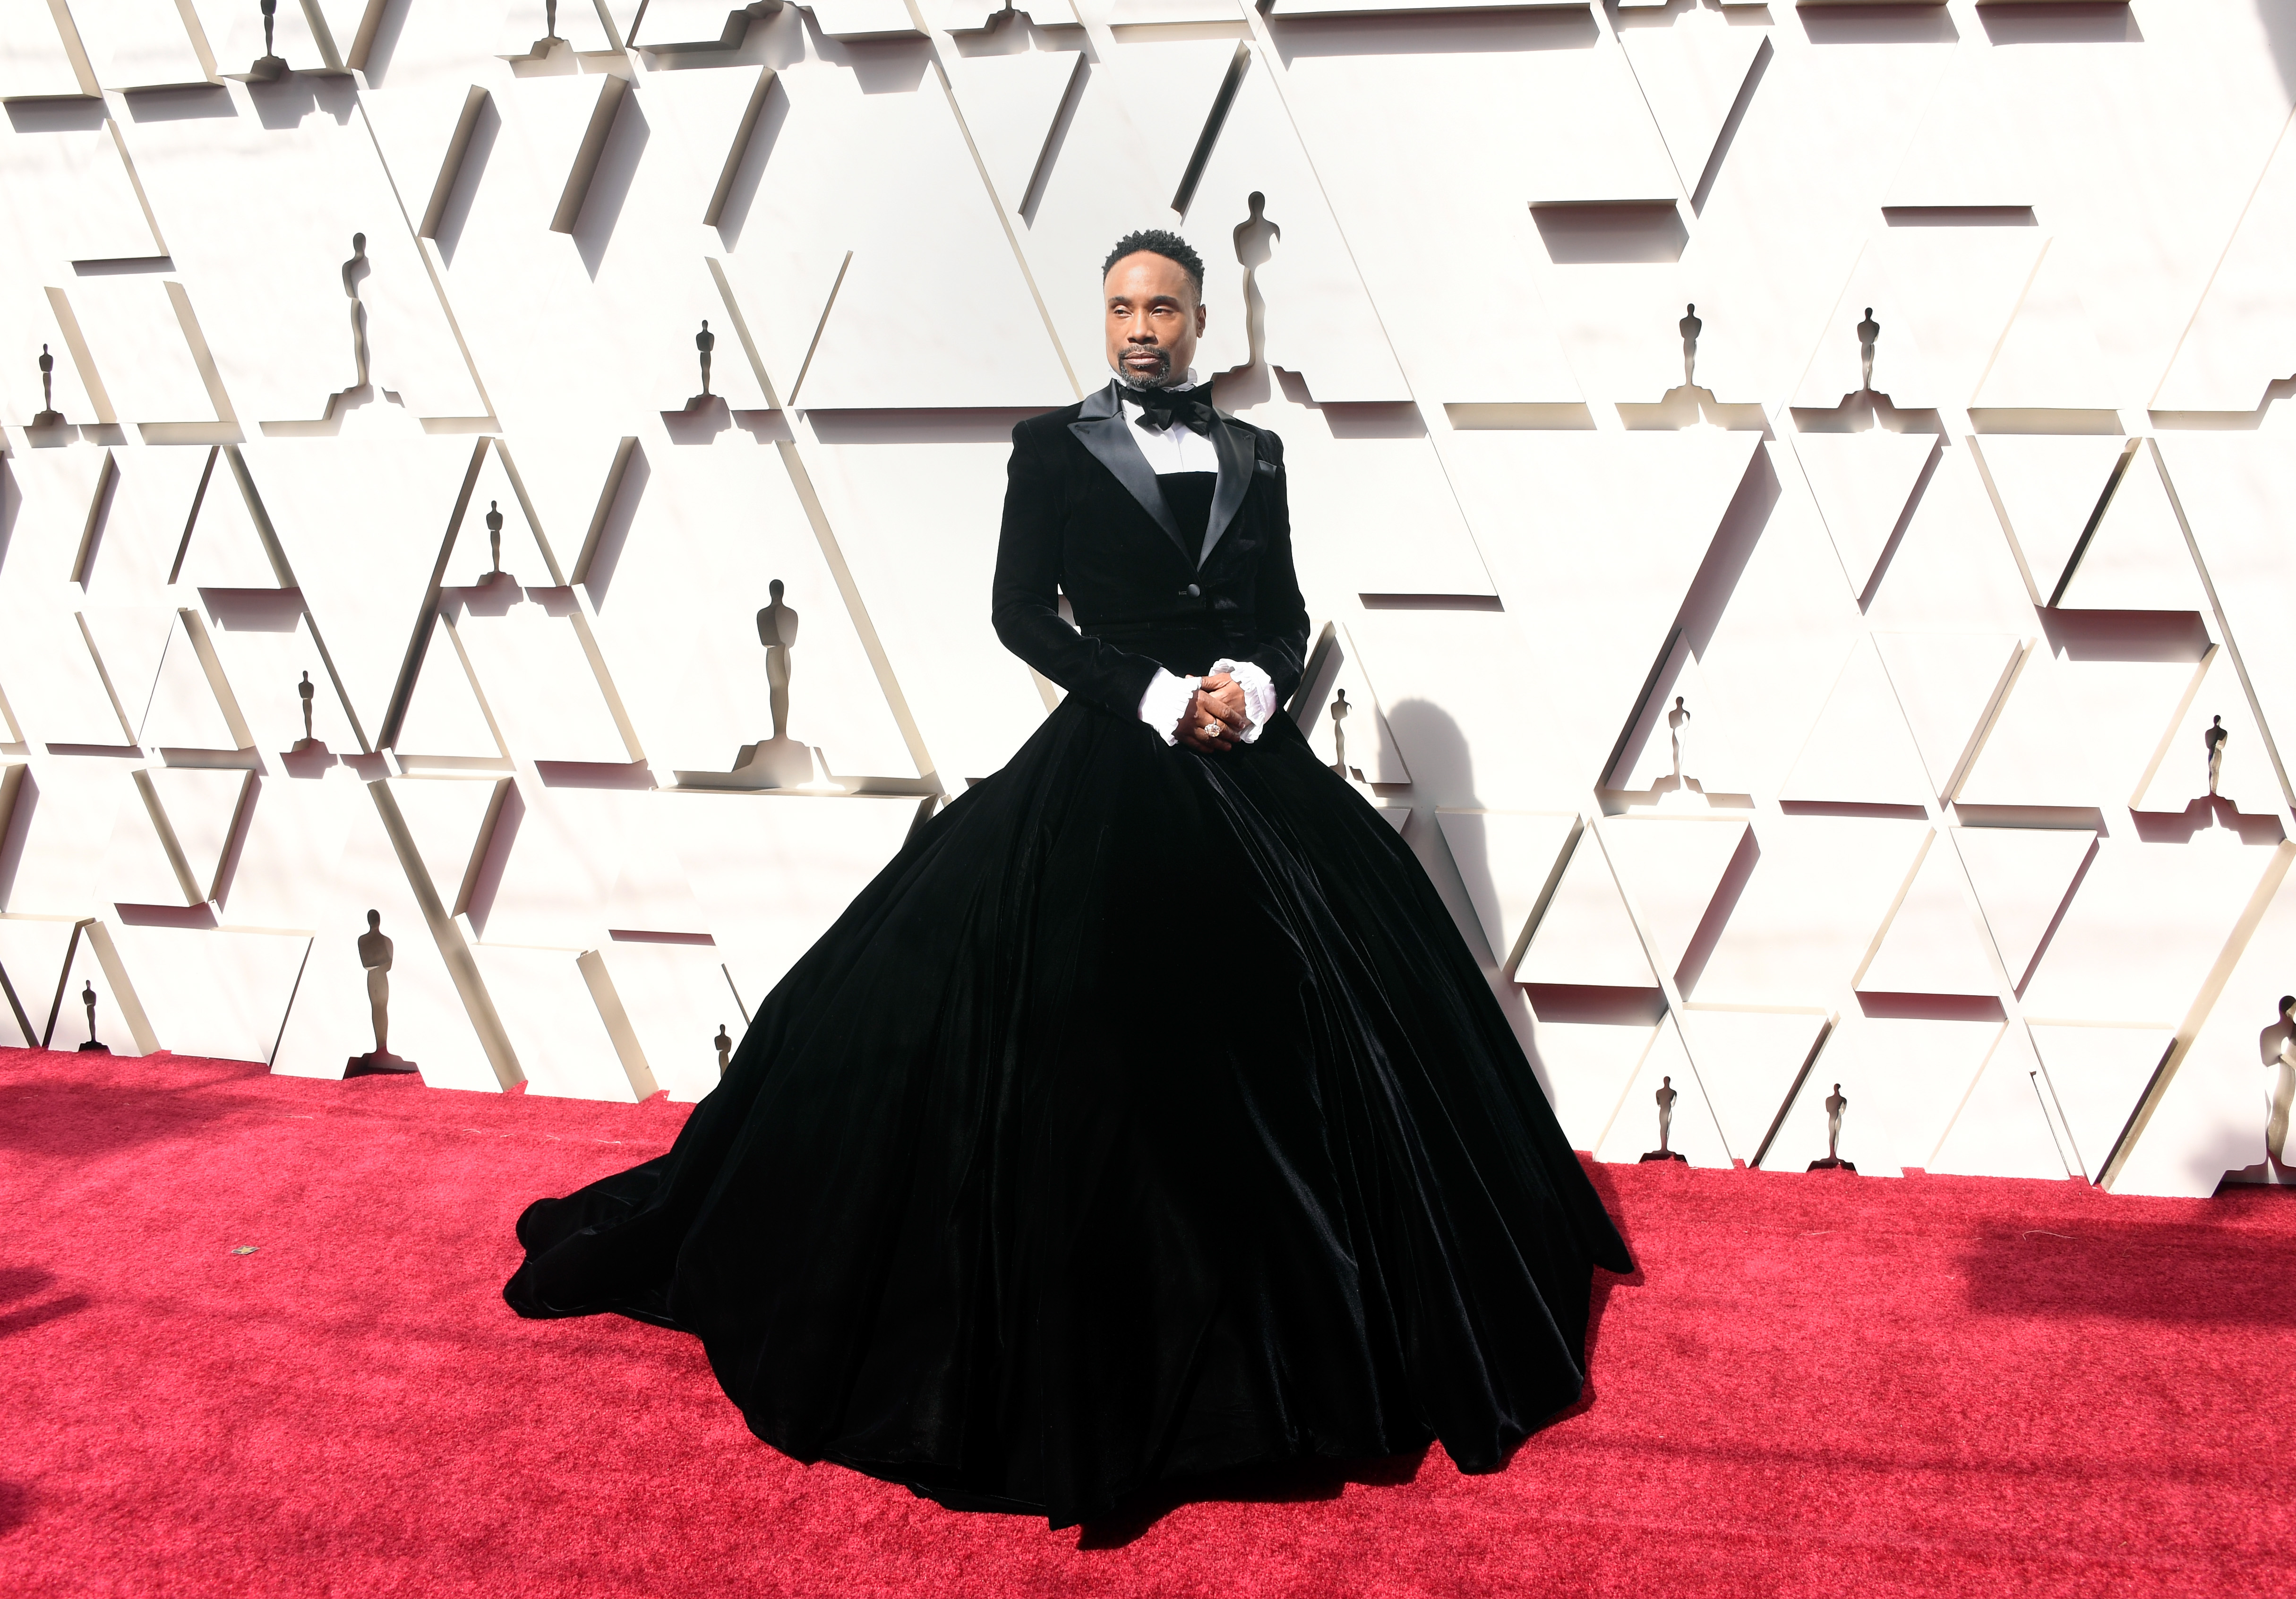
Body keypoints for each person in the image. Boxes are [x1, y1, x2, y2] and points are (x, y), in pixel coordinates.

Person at [503, 229, 1631, 1530]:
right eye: (1120, 308)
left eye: (1163, 307)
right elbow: (1020, 613)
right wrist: (1154, 694)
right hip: (1112, 748)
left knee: (1325, 1023)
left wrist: (1251, 683)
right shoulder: (1049, 449)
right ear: (1103, 320)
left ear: (1200, 321)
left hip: (1250, 755)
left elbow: (1280, 612)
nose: (1140, 327)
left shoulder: (1258, 455)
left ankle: (1321, 1354)